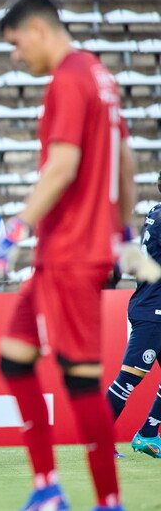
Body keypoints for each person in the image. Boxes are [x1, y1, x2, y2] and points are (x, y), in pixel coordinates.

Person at [0, 0, 156, 511]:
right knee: (14, 360)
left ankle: (106, 500)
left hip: (70, 254)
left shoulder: (68, 80)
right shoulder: (100, 76)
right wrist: (124, 233)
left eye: (15, 43)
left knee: (80, 379)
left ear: (36, 30)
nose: (16, 55)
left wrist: (13, 231)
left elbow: (61, 166)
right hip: (74, 251)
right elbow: (124, 160)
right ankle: (48, 489)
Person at [105, 172, 161, 459]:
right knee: (129, 379)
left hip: (153, 305)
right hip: (153, 310)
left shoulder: (156, 212)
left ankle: (149, 434)